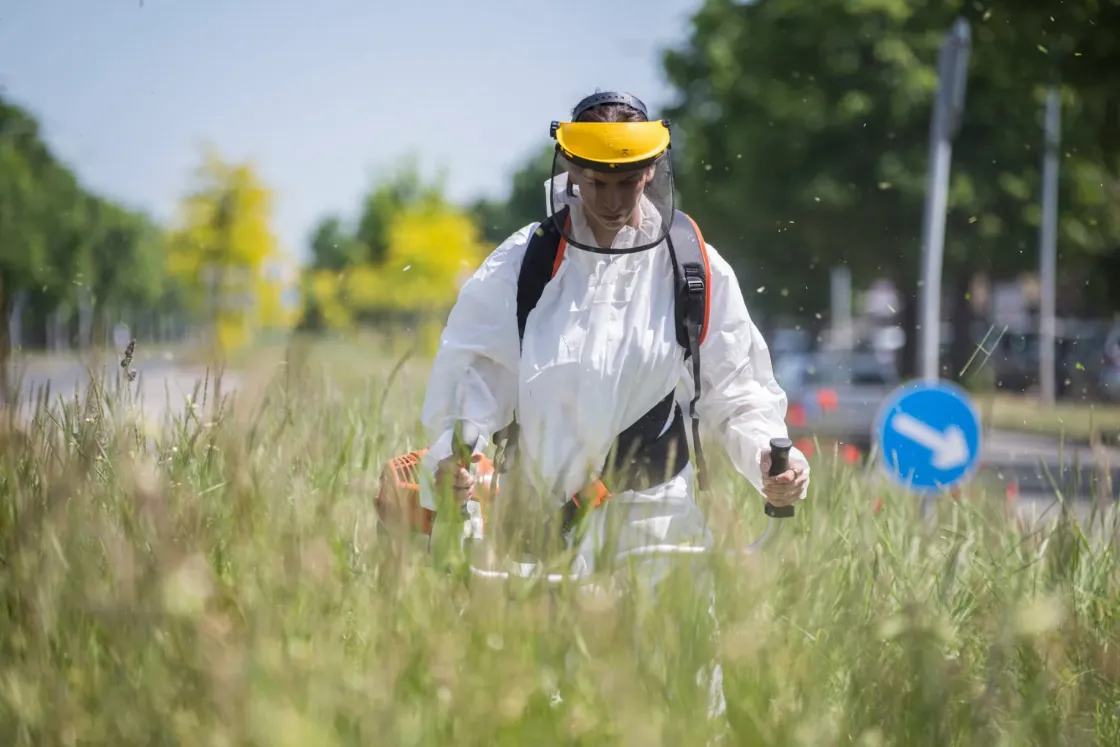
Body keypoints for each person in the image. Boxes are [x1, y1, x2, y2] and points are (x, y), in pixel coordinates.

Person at [417, 90, 811, 735]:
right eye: (596, 181)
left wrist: (775, 458)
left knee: (675, 709)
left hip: (660, 527)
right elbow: (473, 381)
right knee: (539, 712)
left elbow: (737, 393)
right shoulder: (522, 265)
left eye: (627, 181)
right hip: (537, 523)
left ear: (651, 171)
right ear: (571, 170)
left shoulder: (694, 268)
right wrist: (462, 456)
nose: (610, 198)